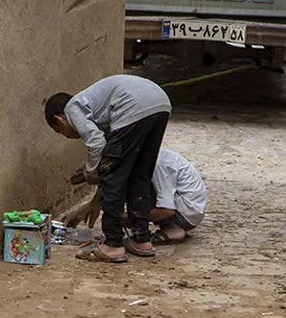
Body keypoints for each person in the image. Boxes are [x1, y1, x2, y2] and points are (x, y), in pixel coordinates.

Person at [45, 75, 172, 263]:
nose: (67, 137)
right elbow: (113, 153)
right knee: (139, 174)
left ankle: (113, 244)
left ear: (59, 119)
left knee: (112, 176)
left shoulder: (72, 107)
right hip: (160, 104)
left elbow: (97, 146)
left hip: (132, 107)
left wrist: (92, 172)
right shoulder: (95, 109)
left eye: (59, 132)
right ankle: (141, 239)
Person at [66, 147, 207, 244]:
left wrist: (127, 219)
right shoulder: (146, 156)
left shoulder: (159, 165)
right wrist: (92, 204)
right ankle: (171, 230)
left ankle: (171, 231)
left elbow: (166, 210)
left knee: (133, 185)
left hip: (185, 213)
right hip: (185, 209)